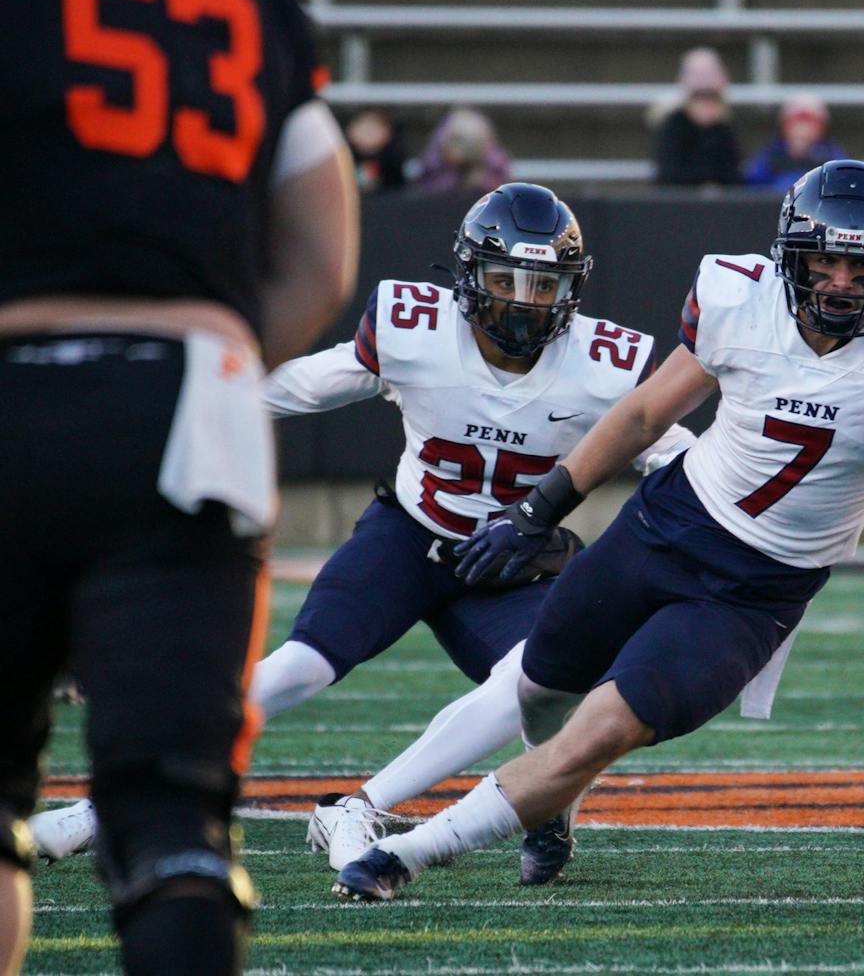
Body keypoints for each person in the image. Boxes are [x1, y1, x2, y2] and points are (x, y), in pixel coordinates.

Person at [330, 158, 864, 902]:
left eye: (863, 271)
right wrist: (541, 505)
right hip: (663, 525)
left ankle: (405, 852)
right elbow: (641, 415)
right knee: (541, 690)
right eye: (825, 264)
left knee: (603, 727)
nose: (842, 286)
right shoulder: (734, 295)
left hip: (756, 591)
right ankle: (548, 817)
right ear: (792, 256)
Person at [27, 184, 695, 888]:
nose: (523, 302)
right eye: (505, 280)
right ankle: (114, 803)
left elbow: (674, 452)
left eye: (543, 284)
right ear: (468, 277)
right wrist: (176, 402)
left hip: (513, 565)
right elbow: (298, 387)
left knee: (532, 688)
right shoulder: (419, 332)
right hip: (408, 539)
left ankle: (391, 808)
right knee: (297, 668)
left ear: (573, 290)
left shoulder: (603, 364)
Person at [0, 0, 359, 971]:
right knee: (174, 820)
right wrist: (202, 366)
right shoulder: (250, 7)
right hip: (191, 402)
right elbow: (323, 259)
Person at [652, 47, 742, 187]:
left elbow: (733, 177)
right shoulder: (673, 127)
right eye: (700, 98)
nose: (706, 105)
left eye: (711, 98)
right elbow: (668, 176)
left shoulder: (724, 131)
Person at [743, 93, 849, 192]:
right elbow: (753, 185)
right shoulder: (771, 155)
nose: (802, 130)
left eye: (810, 123)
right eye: (796, 123)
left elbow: (844, 183)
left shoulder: (832, 157)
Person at [414, 107, 512, 194]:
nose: (464, 150)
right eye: (457, 141)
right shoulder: (438, 154)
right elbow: (431, 180)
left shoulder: (492, 160)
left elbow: (499, 179)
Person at [346, 108, 409, 192]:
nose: (367, 135)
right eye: (364, 129)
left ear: (387, 133)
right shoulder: (345, 156)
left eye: (372, 130)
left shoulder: (392, 158)